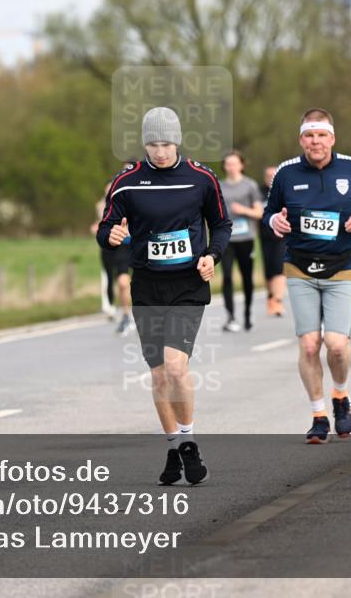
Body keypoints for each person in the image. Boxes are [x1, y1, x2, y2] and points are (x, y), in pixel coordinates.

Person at [97, 107, 231, 485]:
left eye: (166, 143)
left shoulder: (201, 178)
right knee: (158, 376)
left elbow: (221, 224)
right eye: (153, 144)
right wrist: (110, 235)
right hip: (147, 285)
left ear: (178, 141)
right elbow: (105, 226)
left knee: (175, 367)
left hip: (187, 284)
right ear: (144, 143)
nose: (160, 151)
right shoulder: (126, 181)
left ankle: (188, 441)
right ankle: (174, 447)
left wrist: (212, 255)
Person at [264, 108, 351, 443]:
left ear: (332, 138)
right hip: (299, 266)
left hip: (340, 265)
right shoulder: (286, 173)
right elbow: (270, 211)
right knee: (311, 345)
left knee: (337, 345)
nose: (316, 141)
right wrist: (274, 222)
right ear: (301, 139)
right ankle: (318, 415)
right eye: (309, 135)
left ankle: (340, 396)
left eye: (322, 135)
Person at [220, 150, 264, 331]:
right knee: (227, 277)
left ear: (241, 165)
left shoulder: (250, 186)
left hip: (246, 238)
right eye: (228, 164)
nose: (231, 167)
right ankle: (230, 317)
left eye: (234, 163)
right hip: (226, 239)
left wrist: (242, 210)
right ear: (224, 166)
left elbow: (259, 213)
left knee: (247, 278)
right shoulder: (219, 186)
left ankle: (247, 313)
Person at [91, 181, 132, 335]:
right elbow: (101, 223)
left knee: (123, 282)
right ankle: (119, 311)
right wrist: (97, 228)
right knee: (111, 279)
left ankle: (130, 314)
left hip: (125, 246)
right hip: (107, 247)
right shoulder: (100, 205)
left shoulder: (129, 200)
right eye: (108, 190)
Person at [259, 165, 286, 316]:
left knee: (279, 268)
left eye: (273, 175)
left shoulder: (283, 191)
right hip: (264, 236)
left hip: (281, 236)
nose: (270, 178)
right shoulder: (259, 192)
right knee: (268, 271)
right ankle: (271, 298)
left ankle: (278, 300)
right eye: (268, 175)